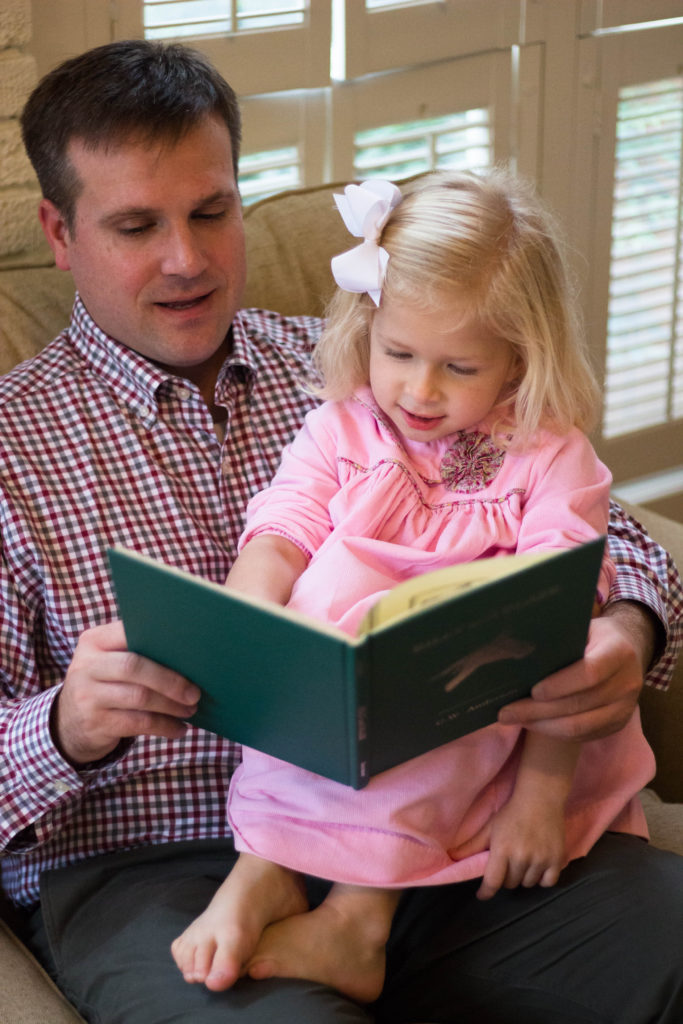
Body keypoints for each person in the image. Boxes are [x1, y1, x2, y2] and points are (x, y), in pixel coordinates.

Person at [0, 37, 680, 1024]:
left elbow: (604, 528)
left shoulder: (357, 366)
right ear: (59, 233)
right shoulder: (11, 448)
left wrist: (627, 629)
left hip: (448, 831)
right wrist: (64, 725)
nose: (186, 259)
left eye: (212, 211)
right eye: (137, 225)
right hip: (156, 870)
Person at [170, 170, 656, 1003]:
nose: (419, 390)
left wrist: (540, 793)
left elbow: (560, 628)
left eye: (458, 365)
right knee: (317, 619)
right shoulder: (341, 425)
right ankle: (266, 868)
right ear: (366, 328)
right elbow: (280, 530)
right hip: (333, 689)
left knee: (436, 687)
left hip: (486, 702)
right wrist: (251, 621)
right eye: (398, 354)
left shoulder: (546, 456)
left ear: (518, 356)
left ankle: (358, 924)